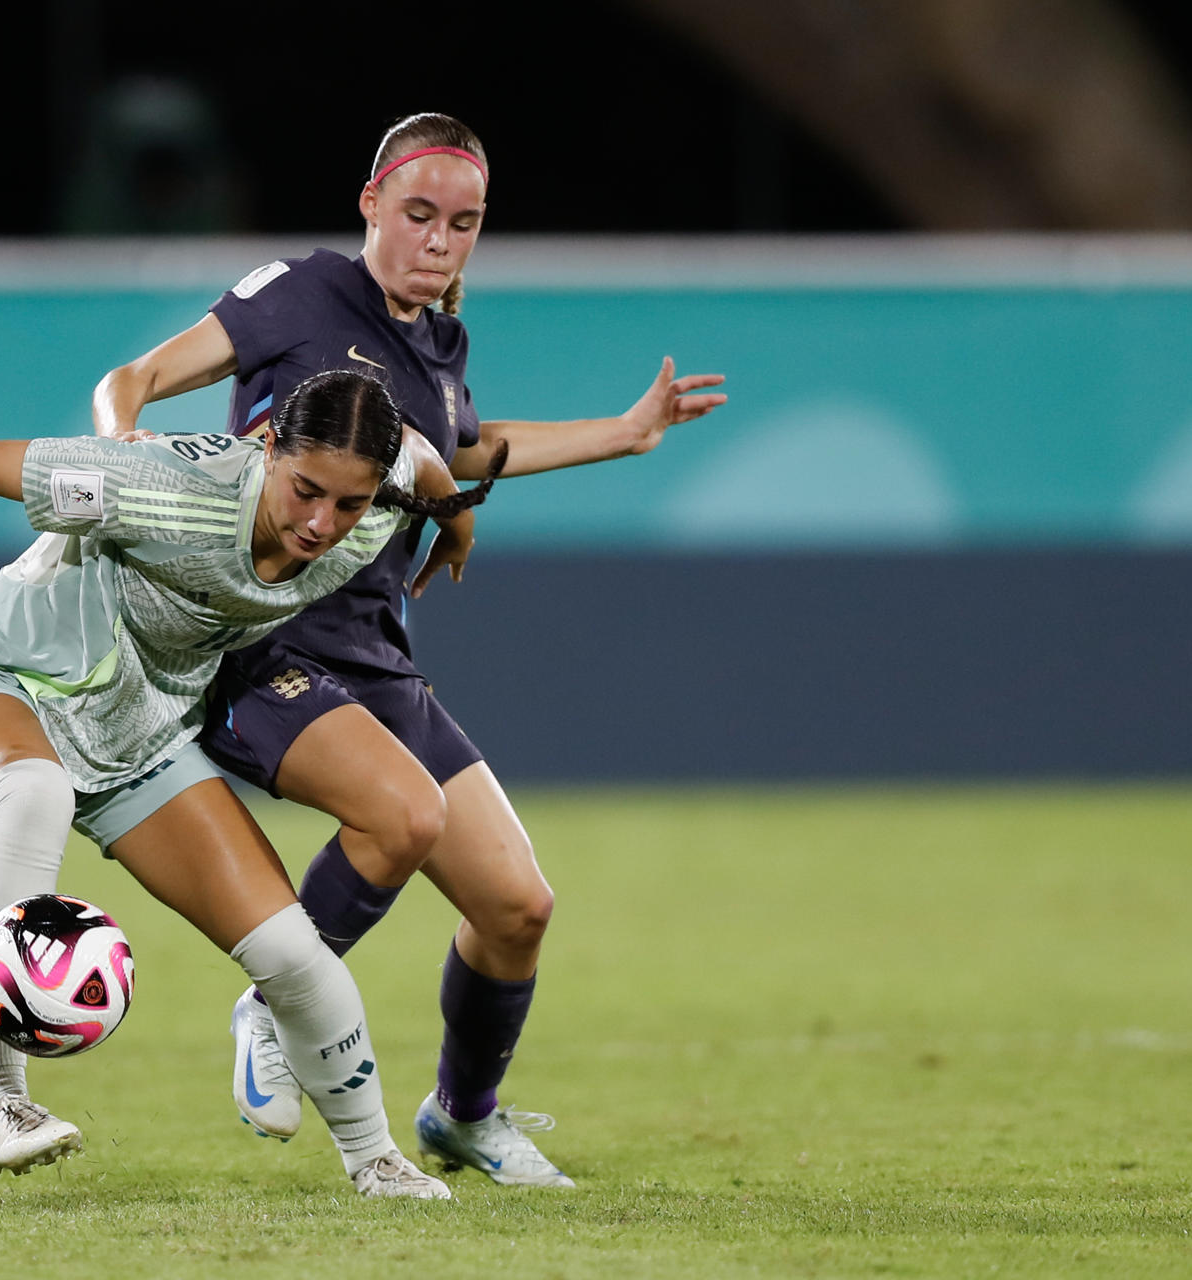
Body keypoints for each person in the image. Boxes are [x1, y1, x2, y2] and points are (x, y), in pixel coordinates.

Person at [92, 112, 727, 1188]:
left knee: (517, 908)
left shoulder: (440, 343)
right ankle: (277, 996)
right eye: (420, 214)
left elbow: (458, 449)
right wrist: (123, 449)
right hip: (261, 636)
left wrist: (623, 433)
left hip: (373, 648)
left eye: (464, 223)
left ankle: (464, 1114)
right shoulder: (300, 292)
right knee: (400, 814)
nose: (439, 241)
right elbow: (135, 377)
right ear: (370, 203)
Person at [0, 371, 503, 1198]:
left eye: (349, 505)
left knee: (289, 949)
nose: (322, 523)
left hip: (139, 740)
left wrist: (454, 520)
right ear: (268, 446)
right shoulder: (163, 487)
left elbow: (424, 458)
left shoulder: (375, 498)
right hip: (6, 680)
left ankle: (376, 1159)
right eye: (305, 490)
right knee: (35, 794)